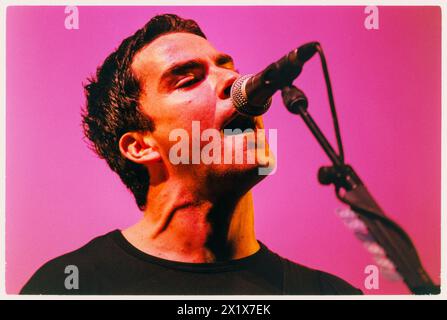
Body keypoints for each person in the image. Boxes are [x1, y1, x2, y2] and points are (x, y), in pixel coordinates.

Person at [21, 14, 362, 295]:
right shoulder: (69, 286)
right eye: (187, 80)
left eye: (227, 67)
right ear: (141, 146)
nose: (234, 80)